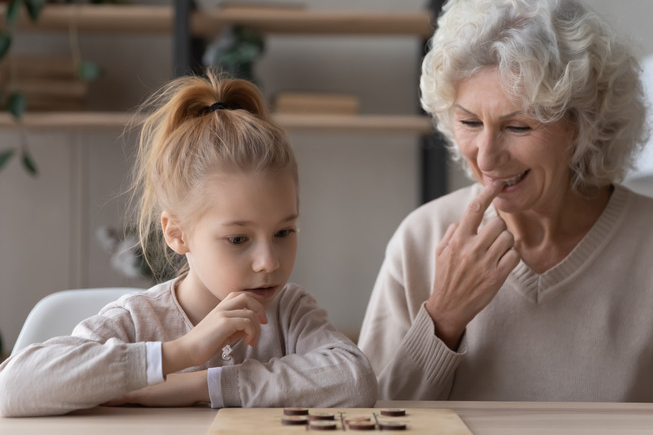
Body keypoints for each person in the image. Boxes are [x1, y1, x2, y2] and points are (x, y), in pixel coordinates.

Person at [358, 0, 653, 404]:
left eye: (518, 126)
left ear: (583, 125)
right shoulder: (421, 239)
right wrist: (441, 320)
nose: (487, 156)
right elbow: (368, 424)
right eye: (469, 122)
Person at [0, 70, 377, 417]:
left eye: (283, 232)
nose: (269, 261)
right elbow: (11, 387)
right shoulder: (138, 319)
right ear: (176, 233)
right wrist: (182, 352)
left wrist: (203, 385)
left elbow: (355, 379)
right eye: (238, 238)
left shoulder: (290, 312)